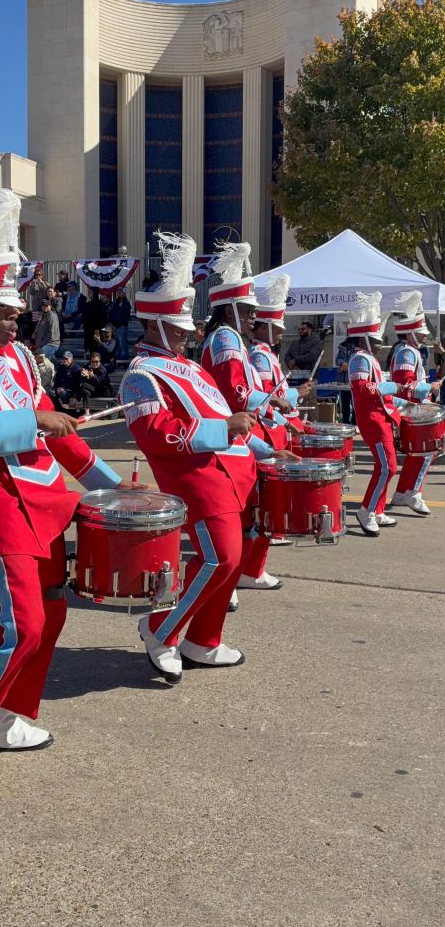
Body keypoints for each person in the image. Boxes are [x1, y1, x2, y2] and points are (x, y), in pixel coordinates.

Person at [0, 187, 139, 807]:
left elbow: (60, 440)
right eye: (8, 309)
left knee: (53, 618)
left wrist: (114, 491)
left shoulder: (18, 358)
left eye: (18, 309)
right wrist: (36, 422)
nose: (20, 318)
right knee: (20, 630)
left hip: (47, 507)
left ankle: (12, 717)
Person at [120, 232, 279, 683]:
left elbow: (229, 419)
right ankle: (159, 628)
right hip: (195, 480)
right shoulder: (141, 375)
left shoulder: (188, 366)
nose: (187, 339)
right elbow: (157, 436)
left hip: (232, 475)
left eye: (189, 331)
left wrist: (264, 448)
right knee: (219, 559)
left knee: (230, 560)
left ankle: (203, 639)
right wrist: (223, 428)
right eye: (178, 330)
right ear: (152, 325)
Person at [201, 242, 299, 595]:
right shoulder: (227, 339)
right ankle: (228, 582)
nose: (253, 317)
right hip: (232, 435)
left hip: (244, 433)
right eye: (246, 309)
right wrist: (277, 401)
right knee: (243, 517)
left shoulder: (234, 339)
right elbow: (235, 395)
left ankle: (233, 579)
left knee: (250, 515)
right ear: (229, 311)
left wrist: (279, 402)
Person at [347, 292, 414, 536]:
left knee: (384, 466)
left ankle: (377, 508)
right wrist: (391, 388)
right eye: (375, 339)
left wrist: (400, 399)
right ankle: (366, 510)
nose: (380, 342)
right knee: (388, 468)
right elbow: (363, 389)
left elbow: (380, 393)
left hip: (381, 419)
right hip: (372, 421)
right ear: (364, 338)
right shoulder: (359, 360)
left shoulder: (369, 359)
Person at [388, 291, 441, 516]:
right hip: (412, 410)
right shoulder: (407, 353)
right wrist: (430, 388)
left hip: (414, 408)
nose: (423, 337)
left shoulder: (407, 351)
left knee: (418, 454)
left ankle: (402, 493)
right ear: (409, 333)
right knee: (426, 452)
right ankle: (413, 492)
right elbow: (404, 385)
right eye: (420, 333)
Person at [250, 275, 313, 433]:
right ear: (264, 328)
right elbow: (266, 394)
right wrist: (296, 392)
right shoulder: (259, 356)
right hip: (273, 423)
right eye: (278, 330)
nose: (281, 334)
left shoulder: (266, 353)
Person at [335, 329, 358, 424]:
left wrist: (348, 366)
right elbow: (338, 359)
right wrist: (342, 364)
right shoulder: (343, 345)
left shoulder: (358, 345)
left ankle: (355, 424)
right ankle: (345, 423)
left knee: (355, 404)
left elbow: (358, 359)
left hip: (353, 380)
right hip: (343, 380)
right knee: (344, 404)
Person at [108, 288, 131, 360]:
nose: (118, 293)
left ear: (124, 293)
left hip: (122, 327)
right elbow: (111, 313)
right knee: (117, 345)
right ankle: (118, 360)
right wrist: (112, 323)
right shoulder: (115, 303)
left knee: (123, 345)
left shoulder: (126, 303)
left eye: (120, 292)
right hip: (115, 327)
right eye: (118, 292)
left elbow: (123, 316)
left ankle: (124, 361)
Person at [82, 288, 107, 355]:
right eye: (89, 292)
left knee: (98, 351)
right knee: (91, 351)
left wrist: (97, 328)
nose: (89, 294)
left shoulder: (101, 305)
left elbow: (103, 319)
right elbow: (84, 318)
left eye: (90, 292)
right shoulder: (87, 305)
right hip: (89, 332)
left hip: (98, 332)